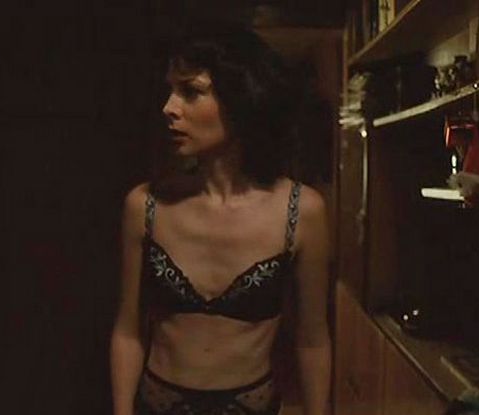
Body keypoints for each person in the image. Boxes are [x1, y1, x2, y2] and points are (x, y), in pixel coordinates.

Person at [110, 22, 331, 415]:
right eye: (170, 91)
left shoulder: (302, 211)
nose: (169, 108)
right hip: (159, 402)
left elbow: (312, 340)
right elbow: (128, 331)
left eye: (190, 91)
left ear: (240, 98)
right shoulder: (144, 205)